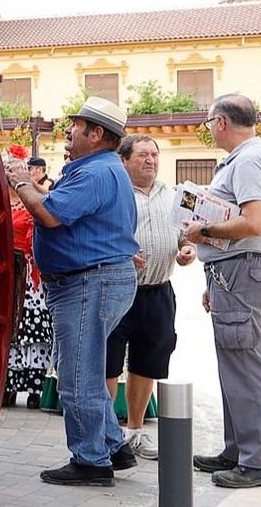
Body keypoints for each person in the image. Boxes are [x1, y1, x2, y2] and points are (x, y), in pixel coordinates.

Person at [7, 97, 138, 487]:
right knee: (86, 370)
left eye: (76, 125)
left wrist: (21, 181)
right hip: (94, 280)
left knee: (77, 375)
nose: (69, 130)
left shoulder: (95, 172)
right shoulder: (102, 168)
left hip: (87, 282)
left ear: (96, 134)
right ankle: (112, 445)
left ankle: (91, 461)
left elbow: (49, 214)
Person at [183, 95, 261, 488]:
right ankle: (240, 450)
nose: (209, 129)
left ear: (222, 122)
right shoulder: (251, 158)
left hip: (243, 269)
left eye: (209, 122)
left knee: (245, 364)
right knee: (236, 364)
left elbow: (253, 222)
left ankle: (259, 462)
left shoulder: (248, 161)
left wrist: (203, 230)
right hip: (238, 271)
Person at [106, 135, 196, 459]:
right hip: (118, 290)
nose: (150, 160)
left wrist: (188, 249)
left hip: (158, 291)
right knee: (108, 364)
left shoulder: (174, 195)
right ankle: (106, 435)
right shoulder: (114, 194)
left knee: (148, 363)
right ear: (124, 160)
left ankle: (134, 432)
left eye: (154, 155)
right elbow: (99, 236)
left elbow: (188, 234)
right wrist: (120, 254)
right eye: (143, 155)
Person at [0, 156, 54, 409]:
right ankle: (3, 384)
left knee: (30, 329)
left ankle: (33, 388)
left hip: (26, 272)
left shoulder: (30, 202)